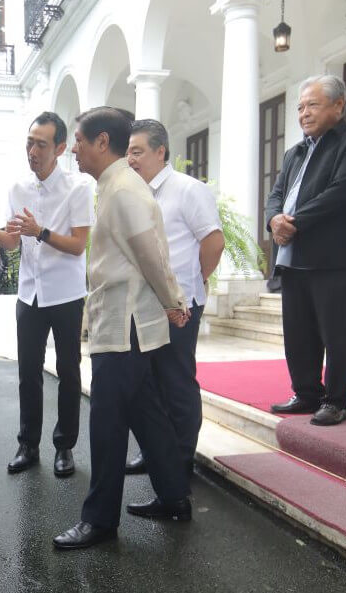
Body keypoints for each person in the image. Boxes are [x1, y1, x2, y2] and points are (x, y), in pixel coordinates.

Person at [53, 107, 191, 551]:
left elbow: (151, 255)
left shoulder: (123, 190)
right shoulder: (115, 186)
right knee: (146, 413)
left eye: (78, 140)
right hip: (121, 319)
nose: (74, 149)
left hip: (124, 321)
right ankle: (175, 496)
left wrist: (174, 302)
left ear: (101, 142)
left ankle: (99, 520)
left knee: (108, 421)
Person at [0, 112, 94, 477]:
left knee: (68, 371)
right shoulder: (18, 189)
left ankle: (64, 447)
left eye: (41, 145)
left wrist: (41, 231)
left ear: (59, 148)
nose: (32, 151)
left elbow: (79, 245)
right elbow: (13, 243)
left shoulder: (78, 188)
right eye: (29, 143)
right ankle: (28, 444)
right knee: (28, 372)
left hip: (65, 294)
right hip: (29, 295)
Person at [267, 75, 346, 427]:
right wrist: (273, 219)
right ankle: (306, 393)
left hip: (333, 257)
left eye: (312, 105)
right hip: (292, 257)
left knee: (337, 333)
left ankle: (336, 400)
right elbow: (276, 194)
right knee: (298, 333)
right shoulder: (294, 152)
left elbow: (344, 190)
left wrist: (294, 222)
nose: (304, 113)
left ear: (338, 105)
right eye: (300, 107)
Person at [124, 119, 224, 476]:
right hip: (143, 305)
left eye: (137, 151)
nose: (130, 159)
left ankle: (180, 461)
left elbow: (214, 241)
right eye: (128, 152)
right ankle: (155, 453)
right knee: (148, 384)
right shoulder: (135, 194)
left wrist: (194, 282)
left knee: (176, 382)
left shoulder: (188, 190)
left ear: (160, 151)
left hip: (177, 307)